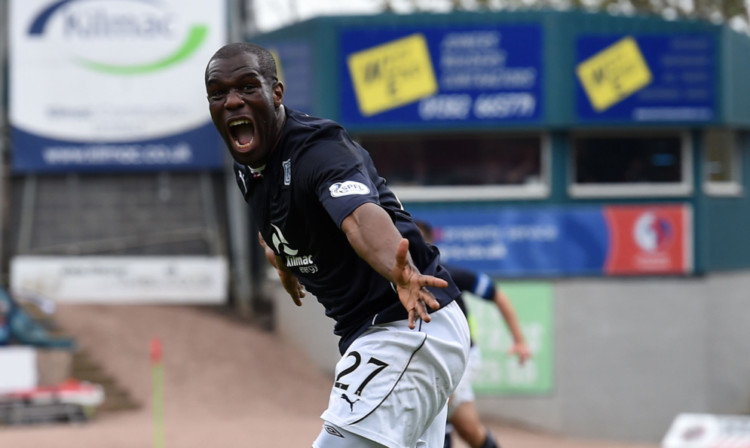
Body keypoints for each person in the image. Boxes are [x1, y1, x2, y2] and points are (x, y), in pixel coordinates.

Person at [205, 42, 470, 448]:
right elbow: (277, 229)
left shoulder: (319, 150)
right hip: (375, 335)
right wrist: (282, 264)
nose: (232, 101)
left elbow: (360, 219)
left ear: (276, 93)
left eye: (247, 87)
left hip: (409, 322)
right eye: (218, 93)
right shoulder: (250, 168)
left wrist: (395, 268)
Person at [415, 220, 532, 448]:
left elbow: (497, 295)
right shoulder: (395, 280)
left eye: (416, 240)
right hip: (429, 357)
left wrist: (519, 340)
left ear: (430, 245)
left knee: (439, 406)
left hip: (462, 357)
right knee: (469, 430)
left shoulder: (450, 275)